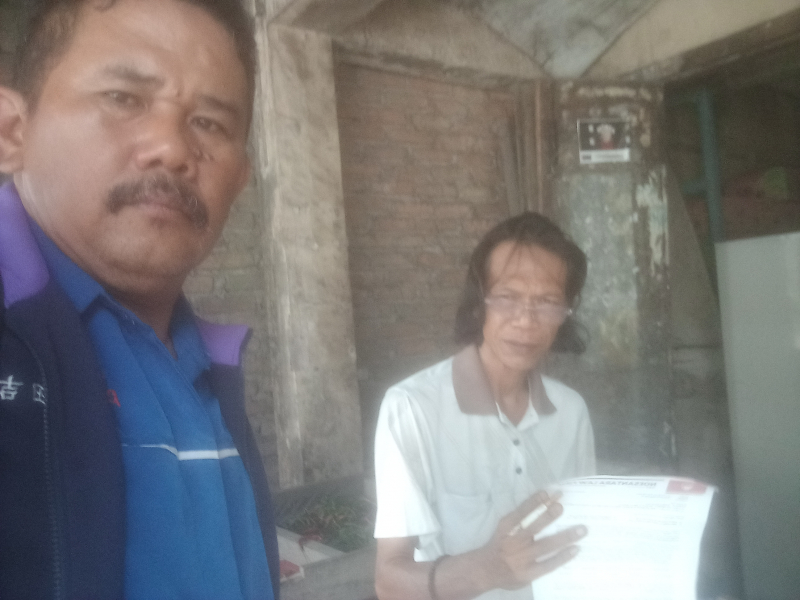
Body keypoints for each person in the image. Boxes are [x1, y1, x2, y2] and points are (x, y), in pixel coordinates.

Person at [0, 1, 280, 598]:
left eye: (209, 123)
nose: (172, 148)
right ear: (11, 132)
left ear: (240, 178)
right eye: (123, 98)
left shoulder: (208, 363)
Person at [373, 212, 597, 600]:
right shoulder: (413, 407)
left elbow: (581, 540)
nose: (526, 320)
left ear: (566, 311)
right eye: (507, 298)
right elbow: (389, 583)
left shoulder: (571, 411)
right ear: (479, 302)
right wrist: (489, 569)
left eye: (547, 302)